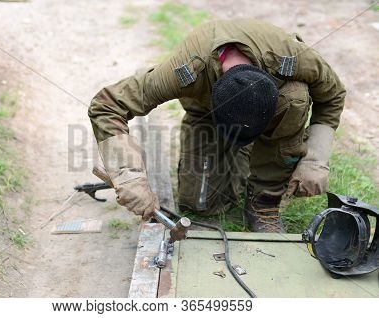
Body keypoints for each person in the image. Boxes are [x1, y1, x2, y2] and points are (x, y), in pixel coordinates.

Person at [88, 18, 346, 233]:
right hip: (204, 107)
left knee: (295, 98)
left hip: (276, 101)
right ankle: (233, 151)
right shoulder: (185, 73)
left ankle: (264, 200)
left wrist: (315, 159)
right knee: (202, 203)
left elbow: (332, 94)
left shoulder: (293, 58)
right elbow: (106, 105)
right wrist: (128, 176)